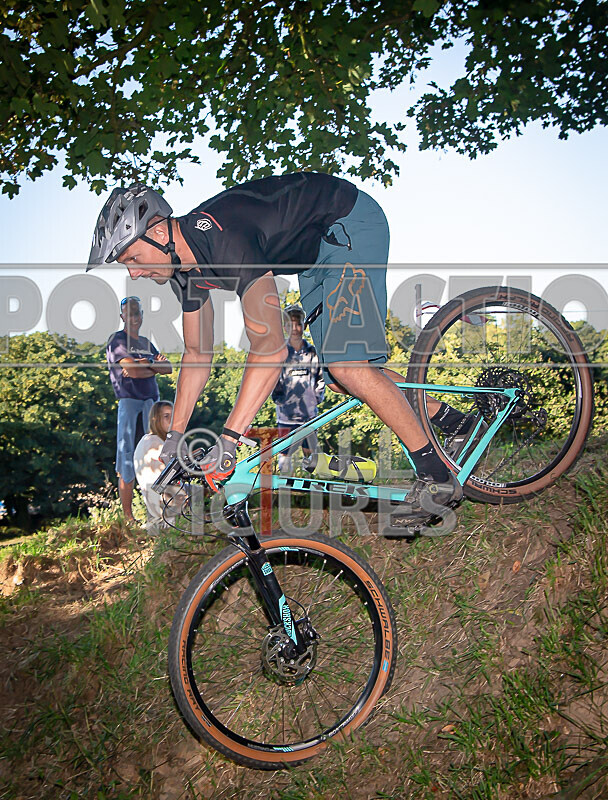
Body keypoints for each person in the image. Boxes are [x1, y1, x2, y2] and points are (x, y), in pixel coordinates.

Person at [88, 174, 473, 528]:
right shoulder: (186, 273)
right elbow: (197, 354)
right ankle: (457, 423)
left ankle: (437, 478)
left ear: (158, 231)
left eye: (133, 259)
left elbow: (270, 348)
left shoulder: (224, 237)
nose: (133, 274)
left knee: (347, 366)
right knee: (342, 379)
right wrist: (174, 436)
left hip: (347, 223)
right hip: (315, 256)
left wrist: (229, 439)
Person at [106, 296, 172, 521]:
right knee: (126, 458)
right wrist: (152, 366)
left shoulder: (145, 343)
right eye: (129, 313)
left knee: (156, 455)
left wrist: (144, 365)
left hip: (152, 404)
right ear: (122, 316)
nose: (134, 317)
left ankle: (159, 512)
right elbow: (132, 371)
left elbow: (169, 368)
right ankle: (128, 518)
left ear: (142, 315)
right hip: (129, 402)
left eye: (137, 313)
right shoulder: (117, 340)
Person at [272, 304, 325, 473]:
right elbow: (273, 379)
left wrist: (316, 398)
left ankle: (309, 487)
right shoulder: (281, 353)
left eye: (299, 324)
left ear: (304, 325)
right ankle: (285, 487)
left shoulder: (312, 352)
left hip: (309, 416)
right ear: (284, 327)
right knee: (284, 454)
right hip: (286, 416)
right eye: (290, 324)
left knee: (310, 456)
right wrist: (279, 399)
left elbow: (321, 377)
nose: (295, 328)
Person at [134, 400, 184, 526]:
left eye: (173, 416)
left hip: (162, 498)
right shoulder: (152, 442)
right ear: (156, 419)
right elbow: (176, 462)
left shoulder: (158, 440)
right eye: (166, 416)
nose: (171, 420)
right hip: (163, 501)